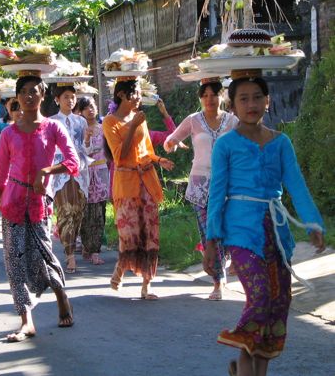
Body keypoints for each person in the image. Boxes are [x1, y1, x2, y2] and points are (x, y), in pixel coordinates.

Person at [204, 74, 325, 376]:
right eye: (243, 99)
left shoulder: (281, 142)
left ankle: (255, 370)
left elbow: (296, 185)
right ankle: (247, 367)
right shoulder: (226, 145)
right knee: (259, 297)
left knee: (279, 300)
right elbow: (217, 192)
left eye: (257, 97)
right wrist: (211, 241)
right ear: (232, 106)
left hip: (276, 233)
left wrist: (313, 224)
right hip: (241, 232)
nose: (251, 104)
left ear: (267, 101)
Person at [0, 75, 77, 342]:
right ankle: (26, 321)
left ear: (43, 94)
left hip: (39, 203)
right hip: (12, 203)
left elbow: (73, 162)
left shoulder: (53, 128)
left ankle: (61, 294)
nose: (28, 97)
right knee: (15, 262)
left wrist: (47, 170)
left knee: (44, 258)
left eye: (34, 92)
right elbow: (0, 176)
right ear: (16, 97)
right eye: (23, 92)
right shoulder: (8, 134)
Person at [164, 79, 238, 300]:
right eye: (204, 95)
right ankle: (218, 281)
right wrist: (172, 144)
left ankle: (229, 263)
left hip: (228, 186)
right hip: (200, 187)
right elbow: (171, 139)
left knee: (225, 231)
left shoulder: (232, 121)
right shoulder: (193, 120)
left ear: (221, 96)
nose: (209, 99)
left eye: (213, 95)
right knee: (209, 234)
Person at [103, 79, 174, 299]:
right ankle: (121, 265)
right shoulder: (110, 122)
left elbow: (147, 151)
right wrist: (132, 126)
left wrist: (159, 159)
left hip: (147, 181)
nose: (139, 98)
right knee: (129, 233)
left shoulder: (140, 119)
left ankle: (147, 284)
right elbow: (119, 156)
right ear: (122, 95)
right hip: (126, 184)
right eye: (135, 94)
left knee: (150, 232)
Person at [49, 85, 90, 273]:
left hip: (80, 172)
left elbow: (85, 148)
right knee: (65, 212)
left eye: (73, 97)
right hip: (60, 173)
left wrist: (88, 141)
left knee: (77, 212)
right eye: (66, 97)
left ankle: (74, 244)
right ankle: (70, 255)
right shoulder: (50, 122)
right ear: (58, 99)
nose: (70, 100)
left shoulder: (81, 122)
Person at [76, 97, 108, 265]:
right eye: (86, 107)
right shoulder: (79, 130)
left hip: (102, 171)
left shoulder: (104, 128)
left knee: (101, 212)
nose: (90, 109)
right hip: (86, 173)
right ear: (80, 112)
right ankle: (88, 246)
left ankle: (96, 249)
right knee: (87, 213)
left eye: (93, 106)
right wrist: (87, 139)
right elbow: (82, 152)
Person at [0, 93, 19, 171]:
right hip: (4, 169)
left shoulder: (26, 125)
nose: (16, 107)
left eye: (18, 103)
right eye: (13, 103)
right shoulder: (2, 124)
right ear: (6, 105)